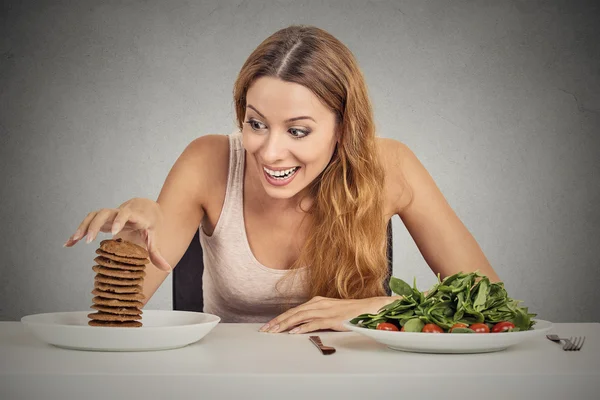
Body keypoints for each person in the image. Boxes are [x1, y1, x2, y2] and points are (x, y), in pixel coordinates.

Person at [64, 25, 500, 334]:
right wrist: (132, 240)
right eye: (256, 124)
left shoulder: (391, 165)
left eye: (298, 131)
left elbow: (490, 300)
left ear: (344, 129)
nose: (269, 152)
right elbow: (117, 316)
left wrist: (375, 310)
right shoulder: (208, 161)